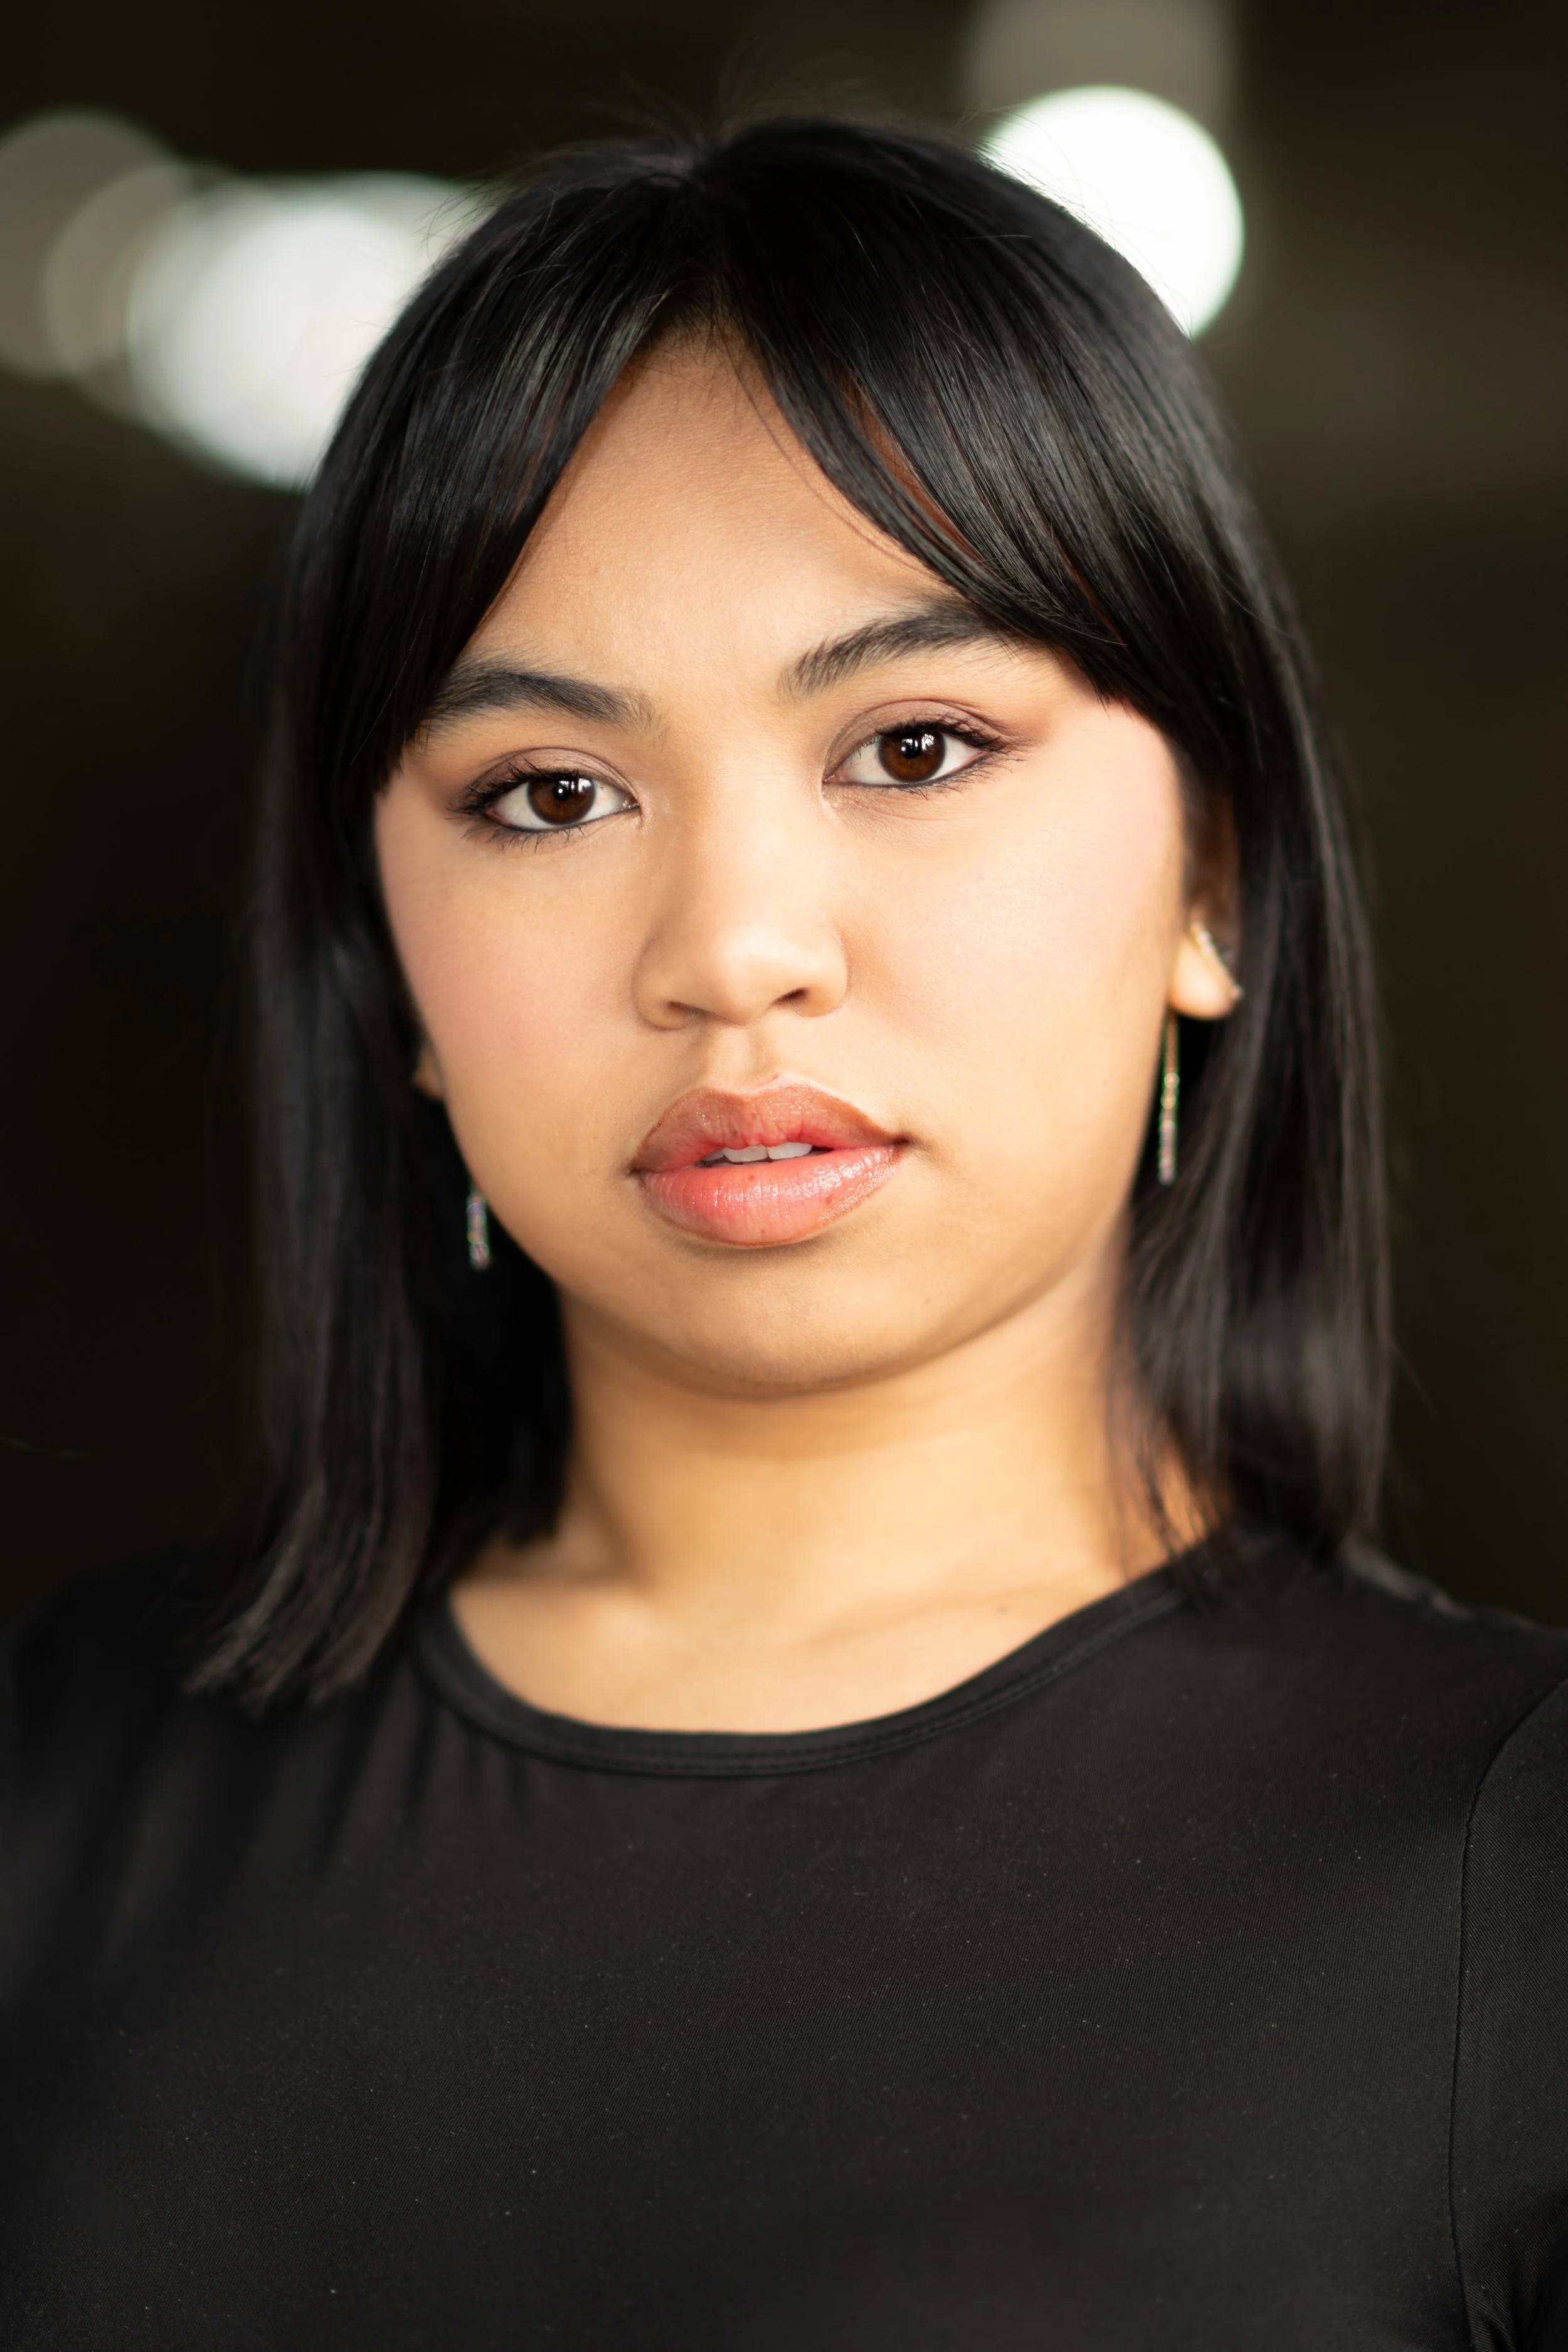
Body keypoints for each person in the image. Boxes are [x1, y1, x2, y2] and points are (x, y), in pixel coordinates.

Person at [2, 116, 1565, 2351]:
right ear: (392, 970)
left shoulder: (1506, 1898)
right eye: (547, 795)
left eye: (913, 745)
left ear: (1215, 874)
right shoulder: (60, 1801)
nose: (732, 949)